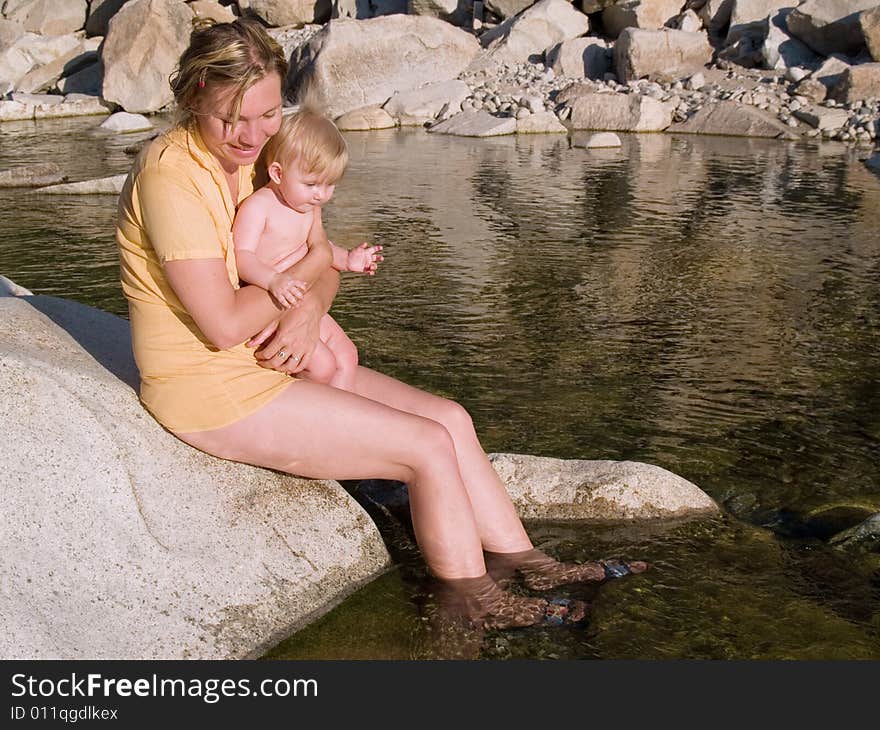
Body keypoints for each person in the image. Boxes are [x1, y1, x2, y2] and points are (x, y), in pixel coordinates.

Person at [115, 17, 645, 633]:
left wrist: (311, 302)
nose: (252, 134)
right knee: (424, 449)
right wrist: (312, 272)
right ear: (193, 95)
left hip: (270, 355)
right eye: (233, 116)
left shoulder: (259, 158)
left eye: (265, 114)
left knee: (449, 419)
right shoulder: (173, 178)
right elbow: (224, 321)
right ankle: (475, 602)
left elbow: (319, 259)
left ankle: (531, 562)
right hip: (211, 388)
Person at [232, 108, 383, 391]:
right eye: (312, 184)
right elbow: (242, 257)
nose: (321, 194)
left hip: (301, 296)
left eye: (330, 185)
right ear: (277, 172)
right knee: (322, 366)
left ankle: (344, 416)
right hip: (270, 301)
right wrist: (274, 280)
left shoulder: (308, 207)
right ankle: (314, 414)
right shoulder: (259, 207)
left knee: (348, 354)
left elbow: (319, 247)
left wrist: (348, 259)